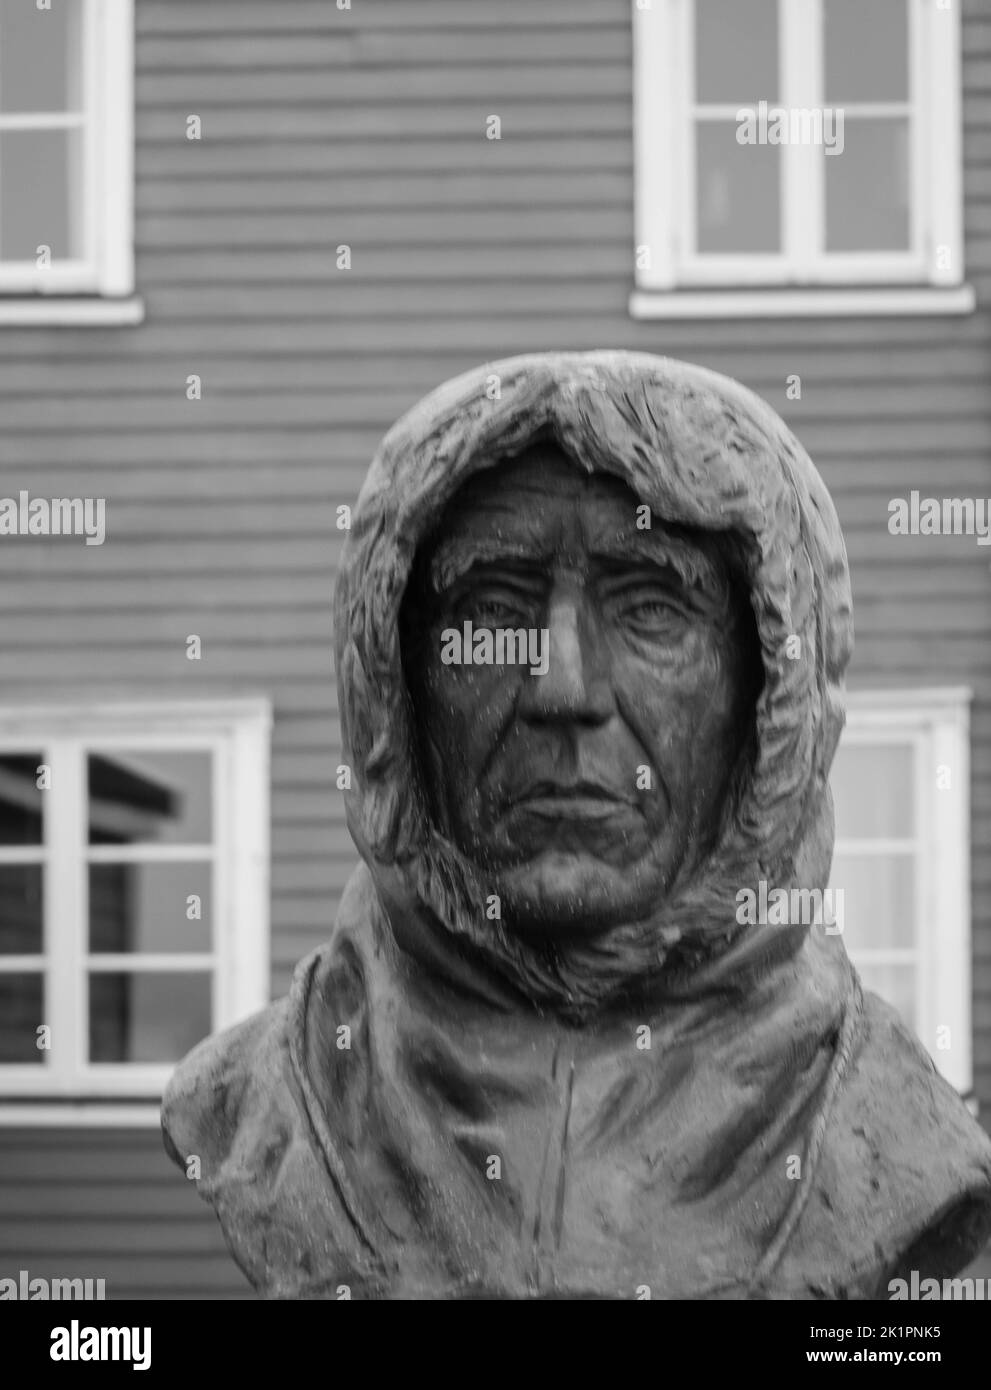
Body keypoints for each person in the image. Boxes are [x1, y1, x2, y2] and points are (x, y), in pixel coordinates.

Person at [162, 351, 991, 1299]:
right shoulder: (261, 1105)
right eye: (491, 611)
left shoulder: (890, 1143)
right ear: (395, 687)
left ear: (770, 696)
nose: (563, 687)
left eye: (649, 609)